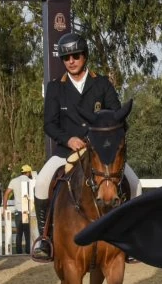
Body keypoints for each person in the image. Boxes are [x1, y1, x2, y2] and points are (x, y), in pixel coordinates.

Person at [32, 32, 142, 261]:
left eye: (75, 55)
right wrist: (69, 140)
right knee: (42, 183)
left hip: (100, 152)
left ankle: (130, 238)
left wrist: (102, 139)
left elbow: (118, 118)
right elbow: (49, 124)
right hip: (67, 152)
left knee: (134, 184)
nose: (71, 61)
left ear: (85, 56)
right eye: (66, 57)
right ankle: (45, 238)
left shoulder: (101, 84)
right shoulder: (55, 88)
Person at [2, 164, 34, 255]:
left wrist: (5, 208)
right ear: (28, 172)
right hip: (28, 210)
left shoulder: (14, 180)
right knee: (27, 233)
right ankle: (28, 251)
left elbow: (6, 194)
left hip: (18, 211)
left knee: (19, 232)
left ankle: (19, 252)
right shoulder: (31, 181)